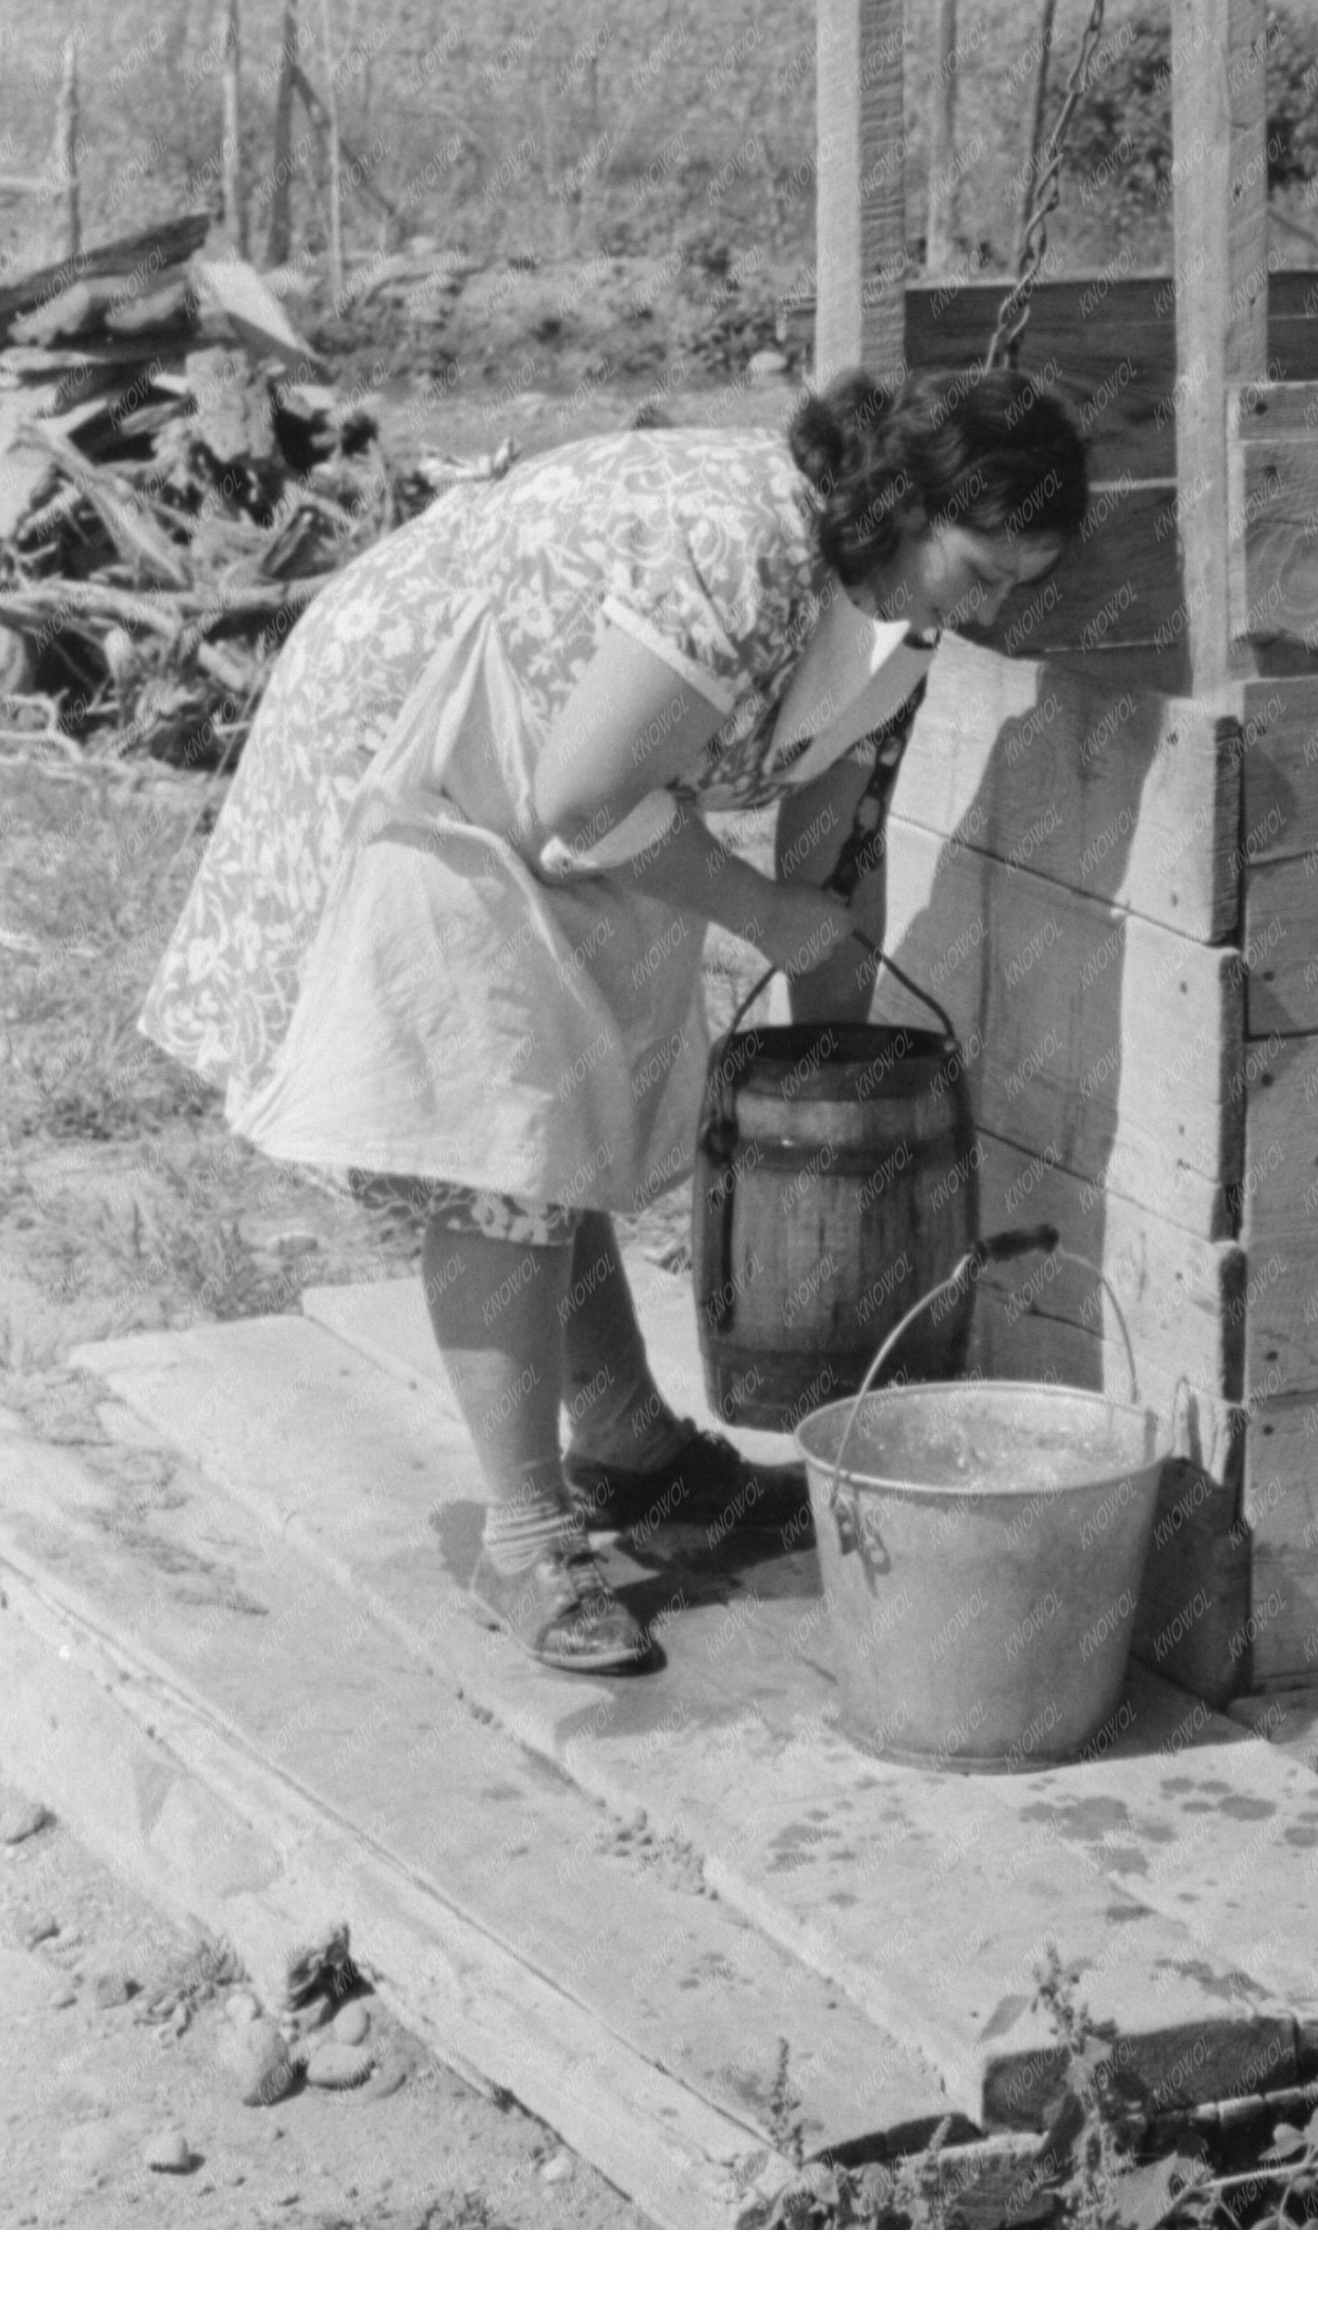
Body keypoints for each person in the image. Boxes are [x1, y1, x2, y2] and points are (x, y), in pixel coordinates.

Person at [139, 365, 1088, 1677]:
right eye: (980, 570)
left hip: (570, 770)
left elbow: (833, 833)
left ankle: (632, 1446)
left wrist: (835, 1075)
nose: (990, 610)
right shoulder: (745, 544)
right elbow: (582, 801)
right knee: (503, 1138)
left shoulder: (904, 612)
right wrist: (760, 914)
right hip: (432, 747)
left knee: (570, 1102)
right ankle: (522, 1535)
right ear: (906, 504)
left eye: (1013, 585)